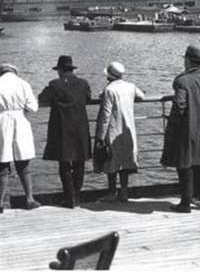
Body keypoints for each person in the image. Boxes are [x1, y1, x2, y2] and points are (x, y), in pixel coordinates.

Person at [161, 45, 200, 213]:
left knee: (185, 164)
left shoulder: (182, 81)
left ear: (187, 61)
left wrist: (172, 127)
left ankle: (185, 203)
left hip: (188, 129)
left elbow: (180, 105)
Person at [38, 56, 91, 209]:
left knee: (65, 162)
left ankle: (70, 198)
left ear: (60, 70)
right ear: (72, 69)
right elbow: (87, 98)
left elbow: (42, 98)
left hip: (62, 127)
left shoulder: (55, 85)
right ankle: (78, 197)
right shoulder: (83, 83)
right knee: (79, 161)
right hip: (80, 127)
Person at [94, 61, 145, 202]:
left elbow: (105, 115)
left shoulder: (109, 90)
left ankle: (111, 192)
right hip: (128, 130)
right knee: (125, 161)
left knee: (111, 161)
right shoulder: (130, 86)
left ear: (109, 76)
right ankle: (124, 192)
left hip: (113, 129)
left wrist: (100, 136)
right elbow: (142, 96)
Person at [0, 63, 40, 213]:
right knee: (23, 162)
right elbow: (33, 107)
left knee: (2, 163)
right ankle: (29, 199)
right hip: (20, 121)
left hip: (1, 122)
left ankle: (0, 202)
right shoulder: (23, 84)